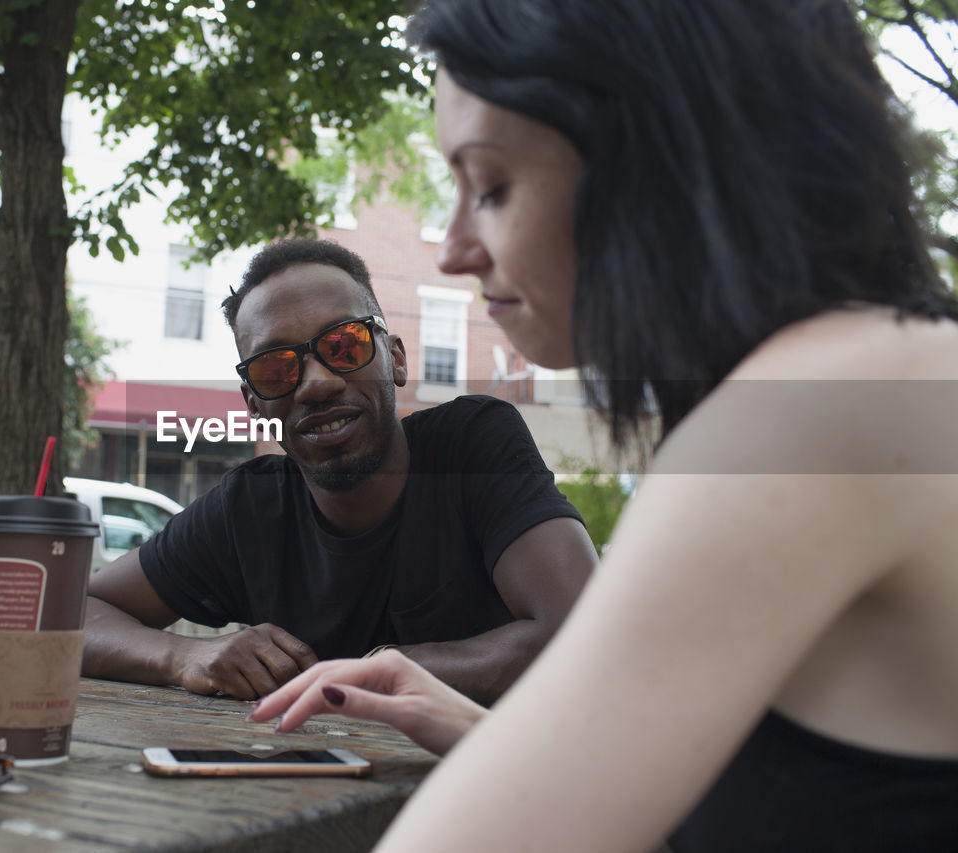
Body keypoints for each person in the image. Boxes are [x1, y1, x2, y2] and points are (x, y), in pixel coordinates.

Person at [250, 1, 958, 851]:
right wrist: (502, 740)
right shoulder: (884, 366)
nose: (453, 247)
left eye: (492, 187)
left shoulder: (806, 415)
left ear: (654, 161)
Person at [81, 238, 597, 703]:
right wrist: (184, 656)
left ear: (394, 358)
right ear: (254, 403)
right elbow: (74, 616)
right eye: (276, 369)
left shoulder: (472, 445)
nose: (315, 384)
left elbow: (584, 631)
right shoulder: (248, 513)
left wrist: (367, 677)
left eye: (343, 345)